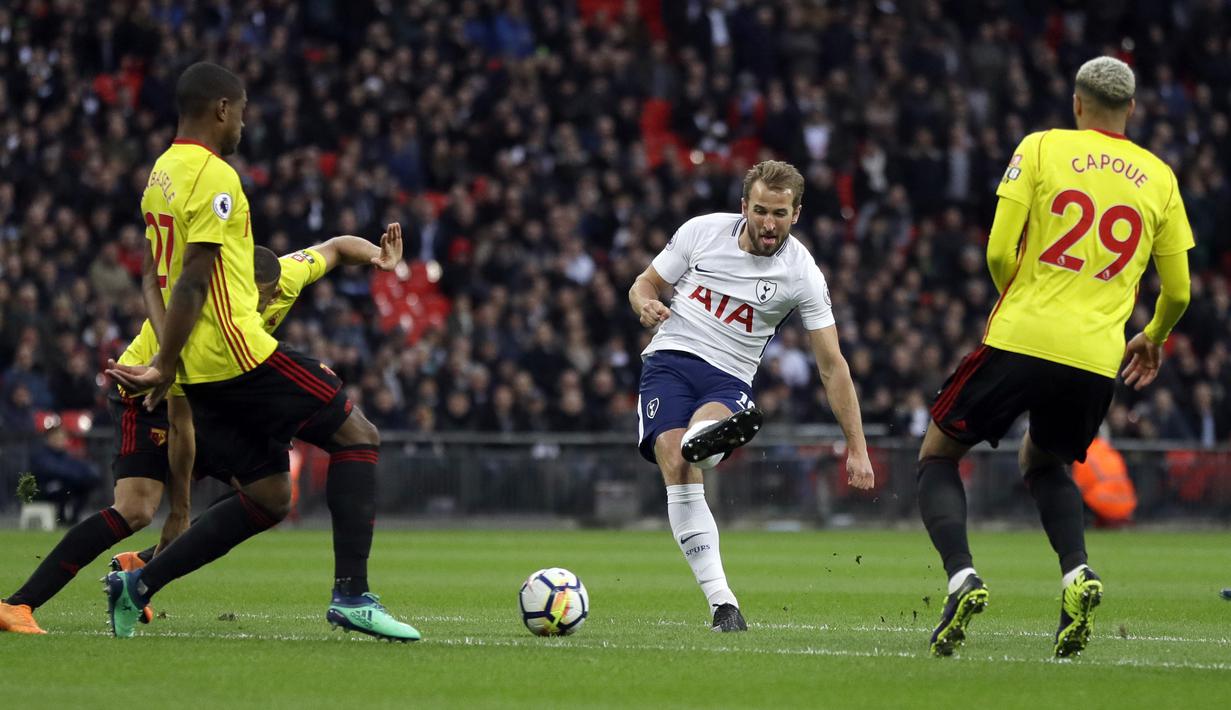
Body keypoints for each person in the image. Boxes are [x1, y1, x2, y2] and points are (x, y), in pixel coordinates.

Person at [102, 62, 418, 641]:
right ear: (222, 109)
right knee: (359, 436)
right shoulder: (216, 177)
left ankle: (139, 584)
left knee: (272, 497)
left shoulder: (160, 174)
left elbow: (153, 275)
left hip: (201, 372)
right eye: (242, 110)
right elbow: (193, 282)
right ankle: (352, 595)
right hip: (236, 354)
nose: (244, 122)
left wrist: (172, 366)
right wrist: (164, 364)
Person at [918, 56, 1193, 658]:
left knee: (937, 454)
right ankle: (1077, 574)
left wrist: (1022, 300)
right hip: (1098, 357)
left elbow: (997, 250)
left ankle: (963, 578)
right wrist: (1154, 335)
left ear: (1076, 102)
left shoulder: (1041, 148)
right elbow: (1178, 292)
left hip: (1024, 334)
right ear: (1133, 110)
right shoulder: (1160, 177)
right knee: (1044, 464)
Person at [0, 229, 403, 635]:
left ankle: (140, 570)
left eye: (268, 297)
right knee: (137, 509)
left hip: (204, 395)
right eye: (255, 296)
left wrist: (376, 255)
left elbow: (334, 248)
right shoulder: (200, 321)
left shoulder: (283, 277)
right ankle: (18, 604)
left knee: (272, 494)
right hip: (145, 392)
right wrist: (179, 510)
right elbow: (181, 423)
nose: (262, 305)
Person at [628, 159, 875, 632]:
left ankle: (709, 443)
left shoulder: (802, 273)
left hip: (728, 376)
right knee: (674, 453)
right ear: (744, 206)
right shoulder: (702, 232)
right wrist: (646, 305)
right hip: (671, 358)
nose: (768, 223)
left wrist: (857, 448)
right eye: (760, 210)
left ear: (796, 214)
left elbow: (832, 365)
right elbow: (644, 283)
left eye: (780, 214)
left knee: (698, 436)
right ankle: (724, 603)